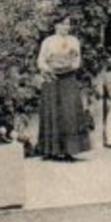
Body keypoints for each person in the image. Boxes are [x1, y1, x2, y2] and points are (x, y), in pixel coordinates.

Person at [35, 16, 88, 162]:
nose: (65, 27)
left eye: (68, 24)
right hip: (52, 79)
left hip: (68, 78)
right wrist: (49, 69)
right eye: (62, 24)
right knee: (51, 110)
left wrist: (69, 66)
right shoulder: (48, 41)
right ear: (55, 25)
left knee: (68, 112)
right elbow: (40, 60)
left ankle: (69, 151)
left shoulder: (73, 41)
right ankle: (49, 150)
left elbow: (77, 60)